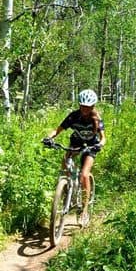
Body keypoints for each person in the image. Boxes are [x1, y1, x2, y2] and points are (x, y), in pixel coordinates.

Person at [42, 89, 106, 226]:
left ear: (93, 106)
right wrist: (49, 137)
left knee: (84, 175)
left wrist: (100, 145)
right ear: (79, 105)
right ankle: (65, 189)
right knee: (65, 163)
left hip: (91, 146)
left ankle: (84, 210)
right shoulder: (73, 116)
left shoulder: (97, 119)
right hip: (76, 142)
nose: (85, 109)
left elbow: (103, 138)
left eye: (88, 107)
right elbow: (57, 130)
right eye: (82, 106)